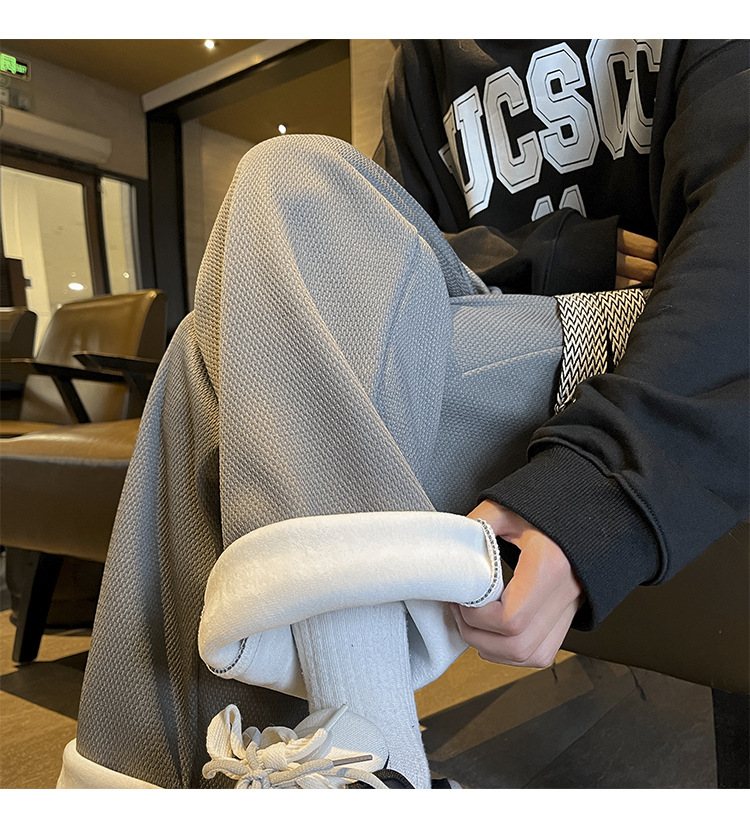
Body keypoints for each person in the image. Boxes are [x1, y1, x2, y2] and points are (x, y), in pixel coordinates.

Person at [59, 39, 748, 789]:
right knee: (245, 275)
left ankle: (331, 760)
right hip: (486, 330)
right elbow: (384, 245)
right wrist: (555, 254)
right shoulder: (427, 56)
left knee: (259, 253)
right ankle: (346, 763)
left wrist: (603, 489)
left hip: (652, 342)